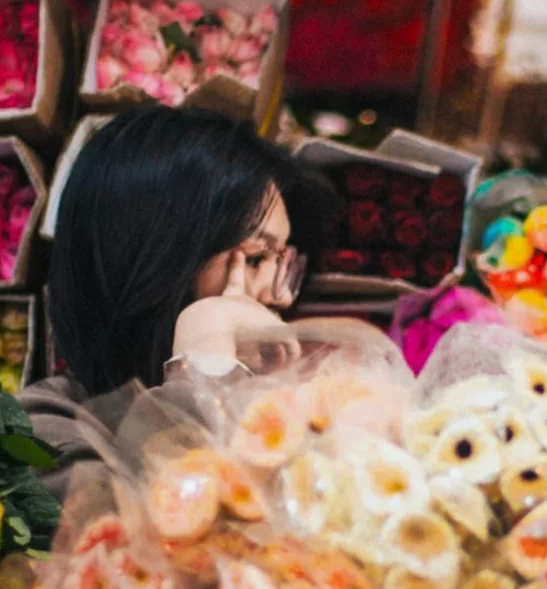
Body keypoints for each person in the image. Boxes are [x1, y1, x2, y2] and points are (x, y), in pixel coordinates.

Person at [46, 102, 368, 395]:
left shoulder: (272, 407)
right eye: (255, 258)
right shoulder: (48, 427)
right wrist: (206, 340)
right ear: (154, 257)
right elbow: (183, 458)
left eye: (284, 259)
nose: (278, 294)